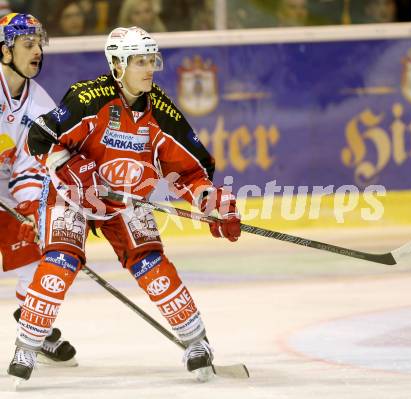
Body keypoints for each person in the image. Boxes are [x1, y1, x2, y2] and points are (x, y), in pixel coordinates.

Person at [7, 26, 241, 383]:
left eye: (151, 60)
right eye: (139, 62)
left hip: (125, 201)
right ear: (117, 65)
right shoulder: (88, 98)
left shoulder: (161, 112)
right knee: (59, 262)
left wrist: (214, 204)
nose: (149, 69)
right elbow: (40, 138)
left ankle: (196, 341)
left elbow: (191, 173)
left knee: (151, 264)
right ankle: (27, 345)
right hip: (71, 195)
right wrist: (72, 166)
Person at [0, 12, 77, 370]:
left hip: (6, 191)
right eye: (27, 44)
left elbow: (31, 164)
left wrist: (31, 204)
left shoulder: (41, 104)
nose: (36, 52)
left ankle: (32, 320)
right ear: (4, 51)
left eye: (38, 45)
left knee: (38, 253)